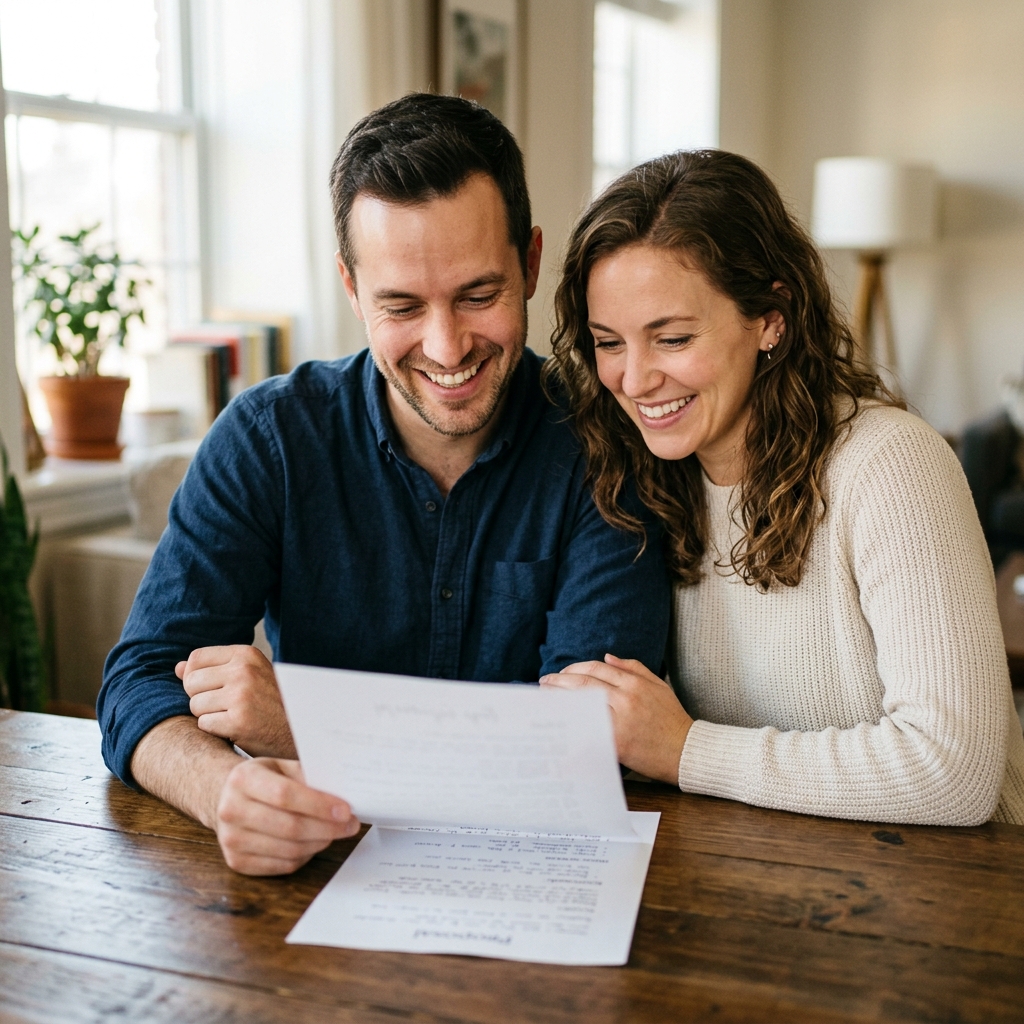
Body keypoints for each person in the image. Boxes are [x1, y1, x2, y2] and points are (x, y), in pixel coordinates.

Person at [98, 94, 670, 876]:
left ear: (531, 263)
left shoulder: (608, 442)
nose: (447, 347)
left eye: (479, 295)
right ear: (350, 285)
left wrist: (304, 728)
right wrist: (221, 787)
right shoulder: (268, 440)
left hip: (538, 881)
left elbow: (584, 745)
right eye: (401, 305)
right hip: (317, 878)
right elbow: (138, 679)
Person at [541, 149, 1024, 826]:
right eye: (608, 342)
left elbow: (952, 772)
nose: (635, 378)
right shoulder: (646, 478)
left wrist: (685, 750)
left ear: (772, 317)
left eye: (672, 338)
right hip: (779, 881)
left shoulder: (891, 465)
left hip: (961, 894)